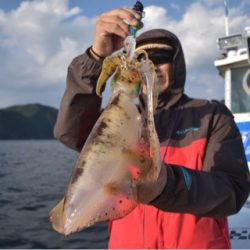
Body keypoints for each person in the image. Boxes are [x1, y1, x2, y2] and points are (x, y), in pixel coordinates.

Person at [54, 7, 250, 249]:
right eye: (142, 59)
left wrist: (166, 185)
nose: (153, 66)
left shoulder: (212, 116)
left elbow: (231, 192)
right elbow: (71, 132)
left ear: (176, 65)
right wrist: (95, 58)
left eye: (161, 58)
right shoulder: (123, 118)